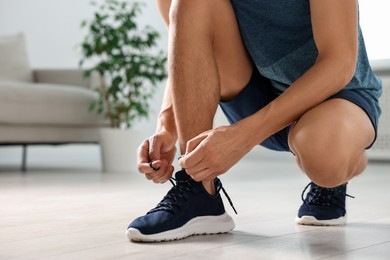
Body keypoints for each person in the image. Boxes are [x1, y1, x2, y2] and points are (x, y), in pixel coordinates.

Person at [126, 0, 382, 242]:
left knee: (325, 156)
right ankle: (198, 192)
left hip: (333, 94)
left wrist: (242, 137)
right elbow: (188, 48)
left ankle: (343, 165)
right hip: (258, 91)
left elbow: (338, 63)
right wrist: (167, 126)